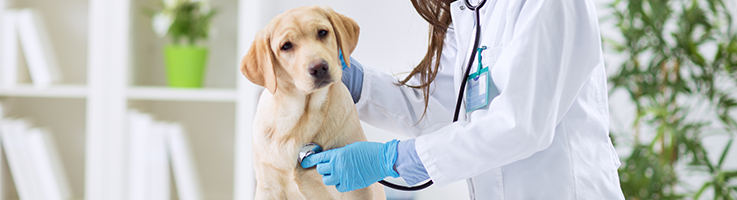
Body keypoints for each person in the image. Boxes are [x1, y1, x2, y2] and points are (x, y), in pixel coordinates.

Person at [300, 0, 626, 199]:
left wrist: (391, 158)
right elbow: (440, 107)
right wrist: (356, 83)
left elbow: (519, 126)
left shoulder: (546, 3)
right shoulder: (472, 12)